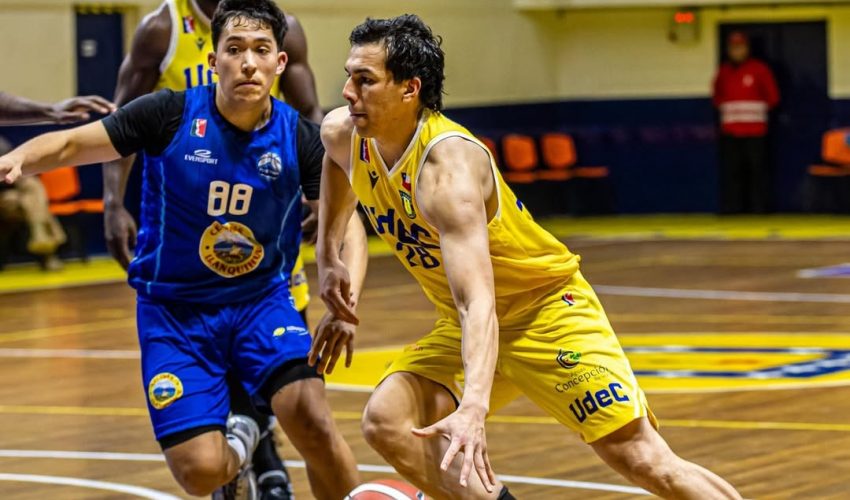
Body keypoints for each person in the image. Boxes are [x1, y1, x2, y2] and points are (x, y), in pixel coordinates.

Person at [313, 14, 743, 499]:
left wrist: (473, 406)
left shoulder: (447, 171)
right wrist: (329, 257)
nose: (347, 91)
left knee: (641, 457)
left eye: (365, 80)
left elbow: (477, 301)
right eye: (349, 76)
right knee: (387, 421)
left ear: (410, 89)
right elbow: (337, 165)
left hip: (544, 313)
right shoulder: (343, 133)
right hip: (467, 326)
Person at [0, 1, 361, 498]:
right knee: (199, 472)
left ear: (279, 62)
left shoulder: (301, 138)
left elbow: (348, 220)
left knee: (314, 423)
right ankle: (242, 441)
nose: (248, 63)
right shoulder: (167, 113)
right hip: (175, 310)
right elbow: (72, 145)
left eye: (261, 50)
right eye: (234, 50)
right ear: (213, 61)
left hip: (260, 303)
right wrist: (20, 157)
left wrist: (340, 284)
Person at [101, 0, 334, 497]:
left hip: (264, 201)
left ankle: (262, 452)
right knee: (210, 341)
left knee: (275, 342)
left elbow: (311, 110)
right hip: (191, 210)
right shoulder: (161, 28)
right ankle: (249, 453)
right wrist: (113, 202)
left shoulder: (281, 26)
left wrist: (322, 190)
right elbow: (121, 122)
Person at [0, 92, 115, 267]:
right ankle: (48, 239)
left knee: (28, 190)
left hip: (10, 196)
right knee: (30, 199)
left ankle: (41, 236)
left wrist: (51, 110)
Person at [712, 30, 780, 214]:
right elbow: (717, 97)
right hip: (731, 131)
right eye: (733, 47)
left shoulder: (759, 69)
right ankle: (733, 209)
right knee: (732, 170)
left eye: (740, 47)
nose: (737, 51)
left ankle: (759, 208)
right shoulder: (724, 71)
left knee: (757, 170)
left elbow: (773, 97)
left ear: (747, 48)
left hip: (755, 131)